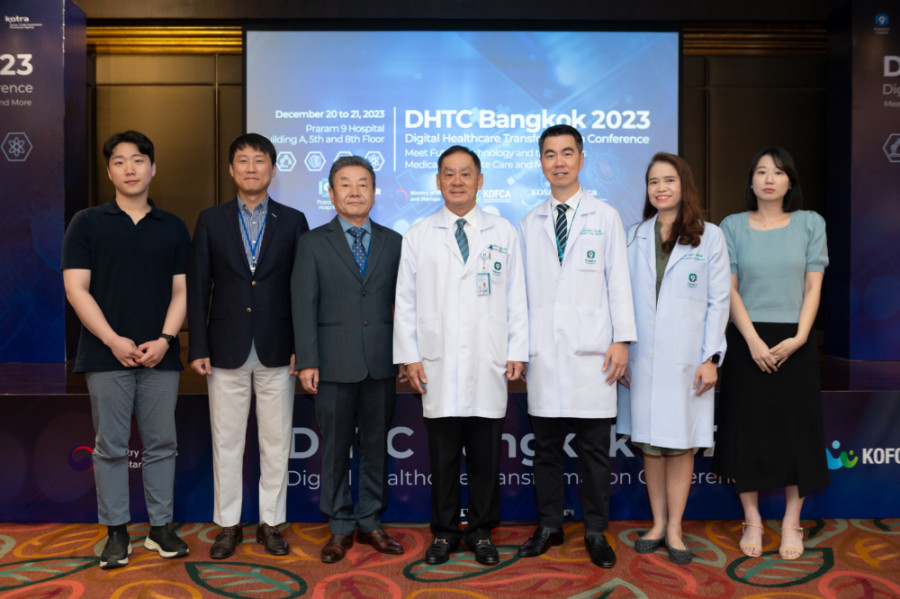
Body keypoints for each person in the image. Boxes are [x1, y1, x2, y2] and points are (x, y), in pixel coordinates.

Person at [62, 130, 191, 569]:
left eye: (138, 160)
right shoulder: (86, 223)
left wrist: (166, 340)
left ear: (153, 168)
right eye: (119, 161)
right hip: (105, 355)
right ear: (109, 171)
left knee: (162, 444)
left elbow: (182, 292)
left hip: (160, 356)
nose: (130, 168)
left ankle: (160, 528)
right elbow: (77, 290)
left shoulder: (173, 226)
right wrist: (113, 340)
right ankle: (116, 531)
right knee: (111, 446)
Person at [393, 145, 528, 566]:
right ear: (437, 182)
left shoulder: (503, 232)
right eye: (449, 174)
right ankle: (445, 533)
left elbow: (517, 297)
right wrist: (410, 357)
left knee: (486, 458)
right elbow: (405, 302)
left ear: (480, 180)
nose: (457, 181)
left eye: (465, 173)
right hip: (437, 365)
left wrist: (517, 349)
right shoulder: (418, 235)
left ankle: (482, 532)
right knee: (443, 459)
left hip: (488, 362)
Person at [516, 125, 636, 569]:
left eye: (567, 153)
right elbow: (519, 296)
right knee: (546, 451)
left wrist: (621, 339)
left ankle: (596, 531)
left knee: (595, 455)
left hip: (594, 356)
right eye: (550, 154)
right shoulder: (529, 223)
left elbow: (619, 283)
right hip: (545, 354)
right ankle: (549, 525)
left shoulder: (605, 217)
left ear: (582, 160)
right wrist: (519, 348)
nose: (559, 162)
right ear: (541, 163)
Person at [187, 133, 309, 559]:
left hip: (279, 348)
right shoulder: (211, 219)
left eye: (260, 160)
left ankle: (271, 523)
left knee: (276, 442)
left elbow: (302, 289)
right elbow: (199, 286)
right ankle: (228, 525)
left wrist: (303, 346)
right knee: (227, 442)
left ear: (273, 170)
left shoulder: (293, 221)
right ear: (231, 169)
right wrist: (197, 345)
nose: (252, 167)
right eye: (243, 160)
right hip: (225, 348)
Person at [711, 147, 829, 561]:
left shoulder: (811, 223)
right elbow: (728, 289)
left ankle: (792, 522)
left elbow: (813, 286)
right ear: (751, 180)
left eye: (778, 172)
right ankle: (753, 520)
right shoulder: (731, 226)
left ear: (790, 181)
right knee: (746, 429)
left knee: (797, 432)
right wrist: (752, 340)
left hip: (796, 339)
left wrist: (801, 338)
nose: (769, 179)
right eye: (761, 172)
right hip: (747, 339)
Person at [616, 152, 731, 564]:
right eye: (653, 182)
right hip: (641, 358)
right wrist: (620, 347)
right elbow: (619, 298)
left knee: (680, 445)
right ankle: (658, 523)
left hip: (688, 361)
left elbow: (719, 301)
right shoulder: (632, 236)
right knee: (650, 443)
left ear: (684, 185)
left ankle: (677, 528)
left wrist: (710, 357)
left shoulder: (710, 236)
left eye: (669, 180)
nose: (661, 188)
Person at [291, 156, 404, 563]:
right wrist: (308, 360)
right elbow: (303, 304)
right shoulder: (312, 242)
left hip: (380, 362)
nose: (355, 192)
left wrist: (406, 355)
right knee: (335, 450)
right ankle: (339, 526)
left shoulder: (395, 241)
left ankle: (371, 522)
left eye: (362, 184)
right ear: (331, 192)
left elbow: (405, 304)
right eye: (345, 184)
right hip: (332, 363)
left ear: (374, 192)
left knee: (375, 447)